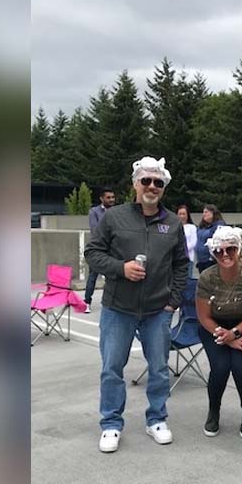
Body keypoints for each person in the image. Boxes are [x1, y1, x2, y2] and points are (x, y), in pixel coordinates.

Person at [84, 156, 189, 454]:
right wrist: (121, 268)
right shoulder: (114, 216)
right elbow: (92, 252)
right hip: (119, 307)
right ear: (135, 185)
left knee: (158, 368)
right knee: (112, 368)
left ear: (164, 188)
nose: (151, 187)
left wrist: (174, 299)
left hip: (157, 310)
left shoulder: (172, 222)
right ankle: (111, 424)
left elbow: (182, 264)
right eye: (146, 181)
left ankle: (156, 419)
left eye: (158, 182)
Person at [195, 226, 242, 439]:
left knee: (241, 368)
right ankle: (213, 411)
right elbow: (203, 316)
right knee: (220, 367)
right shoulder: (207, 277)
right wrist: (225, 337)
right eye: (219, 251)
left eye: (230, 249)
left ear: (239, 249)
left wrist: (234, 333)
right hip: (213, 326)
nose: (225, 254)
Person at [83, 187, 117, 313]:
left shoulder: (117, 211)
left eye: (113, 197)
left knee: (113, 277)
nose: (111, 200)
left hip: (113, 249)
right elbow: (95, 230)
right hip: (98, 249)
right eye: (108, 197)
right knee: (93, 276)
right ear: (102, 198)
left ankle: (111, 303)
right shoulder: (94, 212)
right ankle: (87, 302)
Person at [194, 204, 225, 273]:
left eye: (206, 212)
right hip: (201, 260)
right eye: (203, 212)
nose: (203, 214)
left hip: (211, 260)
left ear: (213, 213)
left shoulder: (219, 225)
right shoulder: (202, 226)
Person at [176, 204, 199, 277]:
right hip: (175, 258)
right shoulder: (174, 226)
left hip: (188, 258)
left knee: (187, 279)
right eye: (180, 214)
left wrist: (182, 249)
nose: (182, 216)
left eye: (184, 214)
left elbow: (193, 242)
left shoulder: (192, 227)